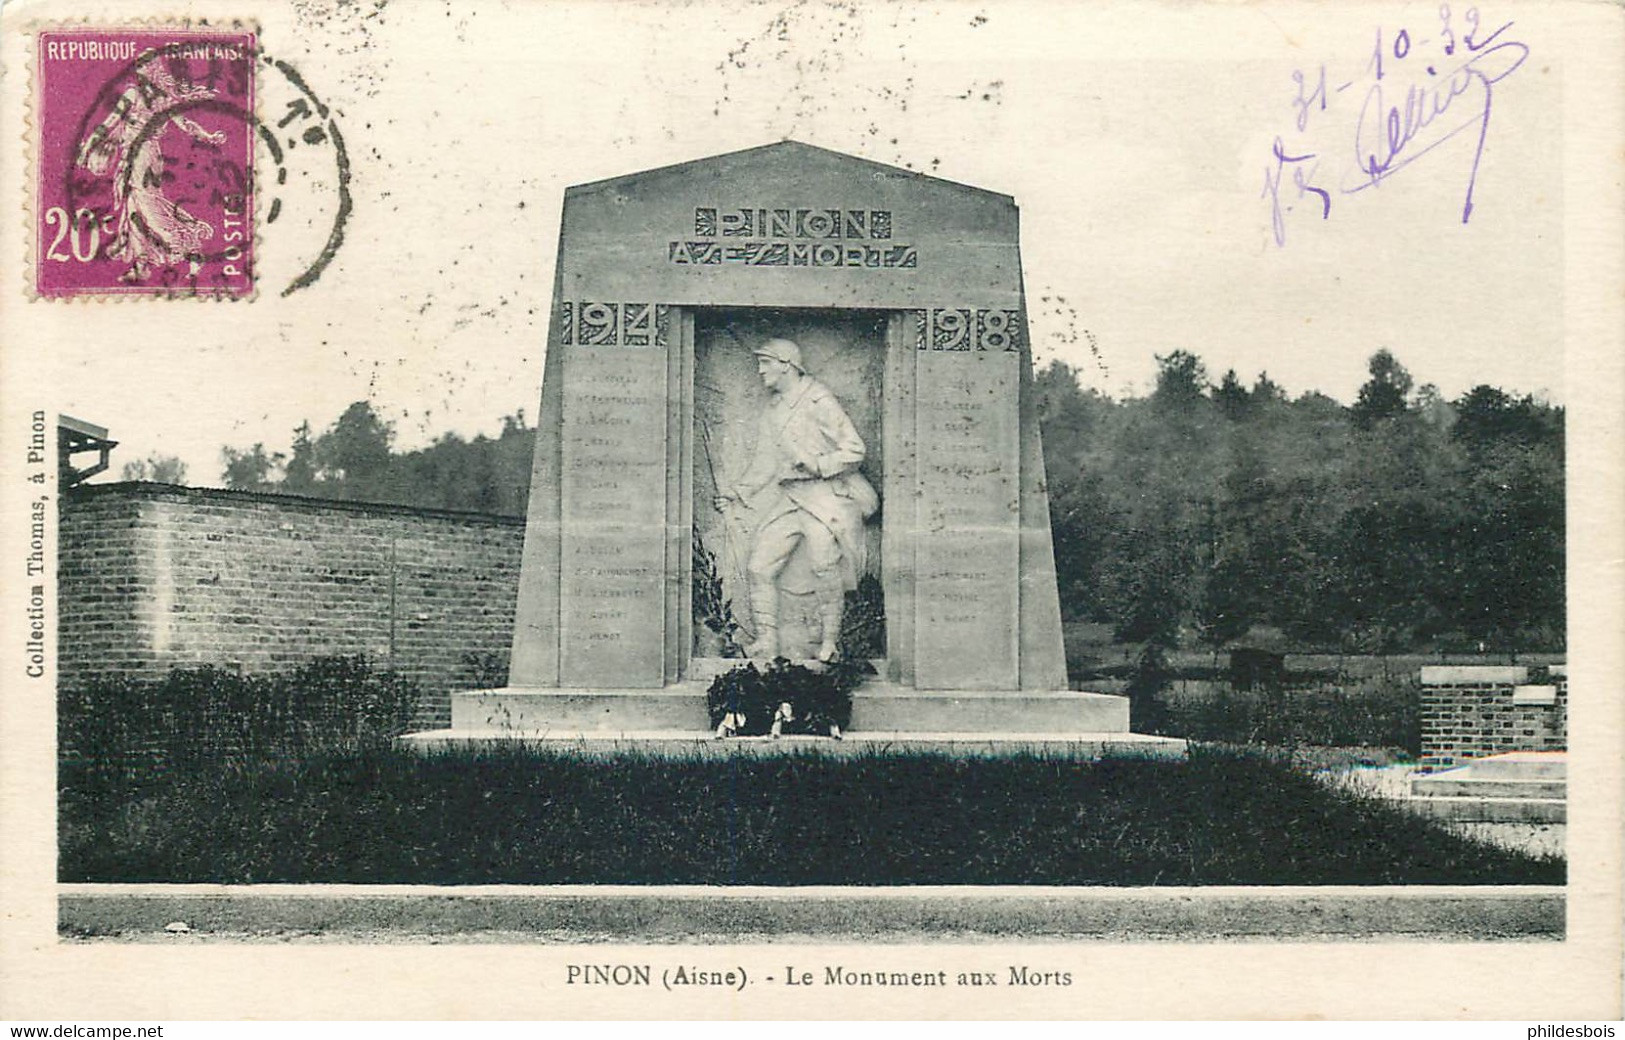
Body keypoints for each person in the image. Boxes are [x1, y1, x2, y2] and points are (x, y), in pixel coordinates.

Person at [714, 338, 878, 661]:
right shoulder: (774, 409)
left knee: (824, 569)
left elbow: (855, 449)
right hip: (792, 498)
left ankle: (830, 643)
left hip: (824, 498)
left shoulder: (819, 400)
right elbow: (765, 462)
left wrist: (818, 465)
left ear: (786, 364)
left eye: (766, 364)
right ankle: (767, 642)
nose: (760, 371)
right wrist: (737, 493)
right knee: (759, 567)